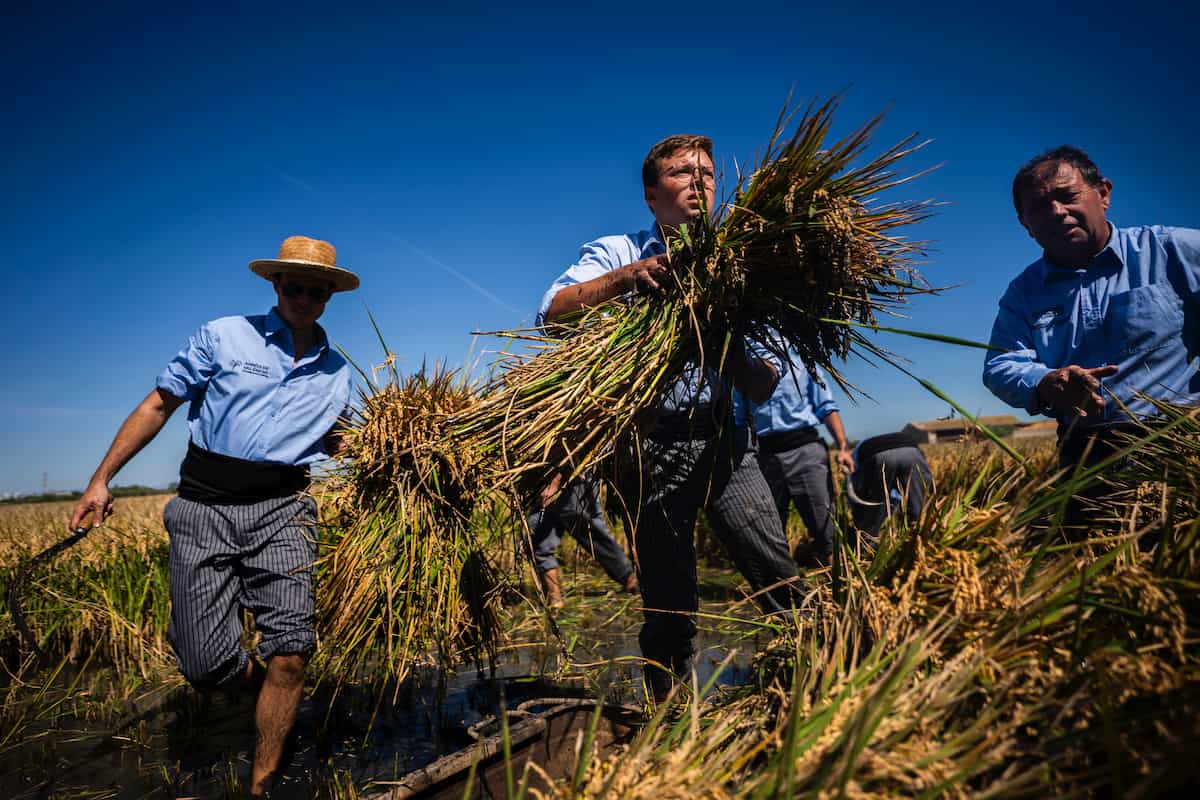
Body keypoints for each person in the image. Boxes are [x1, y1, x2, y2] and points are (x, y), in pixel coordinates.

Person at [69, 236, 358, 797]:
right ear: (275, 286)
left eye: (314, 289)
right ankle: (268, 691)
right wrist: (101, 480)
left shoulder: (339, 374)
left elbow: (345, 443)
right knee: (205, 666)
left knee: (291, 651)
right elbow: (158, 404)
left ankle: (262, 784)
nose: (302, 296)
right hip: (204, 509)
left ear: (328, 296)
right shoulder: (224, 335)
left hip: (285, 511)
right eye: (293, 286)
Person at [537, 134, 803, 701]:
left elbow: (763, 382)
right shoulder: (617, 251)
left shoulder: (746, 267)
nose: (699, 181)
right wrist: (629, 279)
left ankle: (806, 692)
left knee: (777, 575)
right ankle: (670, 720)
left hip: (726, 445)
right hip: (647, 453)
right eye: (682, 172)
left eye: (707, 172)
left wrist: (715, 338)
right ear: (652, 195)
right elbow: (552, 314)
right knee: (668, 603)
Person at [983, 146, 1200, 470]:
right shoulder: (1023, 292)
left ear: (1103, 193)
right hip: (1083, 456)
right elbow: (1000, 364)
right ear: (1025, 223)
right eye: (1040, 206)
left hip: (1180, 443)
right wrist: (1046, 382)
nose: (1056, 211)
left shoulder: (1173, 250)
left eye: (1067, 195)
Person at [744, 351, 854, 565]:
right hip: (763, 454)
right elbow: (737, 414)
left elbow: (827, 406)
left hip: (805, 450)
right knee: (768, 526)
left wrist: (842, 446)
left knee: (823, 522)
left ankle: (836, 582)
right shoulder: (745, 365)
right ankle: (779, 586)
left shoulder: (804, 362)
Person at [525, 473, 637, 609]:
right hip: (544, 479)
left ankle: (630, 581)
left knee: (590, 531)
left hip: (573, 476)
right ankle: (554, 600)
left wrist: (556, 479)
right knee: (536, 537)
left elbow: (568, 451)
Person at [845, 432, 932, 540]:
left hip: (877, 455)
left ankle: (869, 543)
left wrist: (859, 515)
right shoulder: (889, 439)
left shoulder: (855, 454)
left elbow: (855, 491)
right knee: (921, 505)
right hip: (912, 451)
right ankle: (922, 535)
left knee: (872, 509)